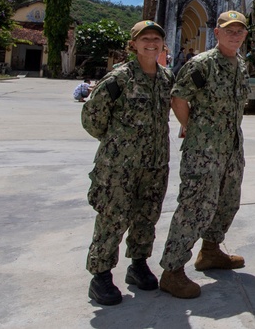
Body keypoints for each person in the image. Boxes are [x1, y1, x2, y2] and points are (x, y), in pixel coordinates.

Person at [157, 11, 250, 299]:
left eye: (239, 31)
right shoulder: (202, 64)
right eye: (229, 31)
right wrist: (192, 128)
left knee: (227, 202)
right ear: (217, 33)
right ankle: (172, 270)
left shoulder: (241, 65)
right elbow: (179, 99)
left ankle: (210, 251)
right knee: (194, 207)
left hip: (232, 148)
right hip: (204, 151)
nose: (234, 35)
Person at [81, 21, 174, 306]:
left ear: (162, 44)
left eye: (156, 39)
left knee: (147, 215)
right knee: (113, 218)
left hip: (155, 163)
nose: (151, 43)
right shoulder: (119, 78)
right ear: (133, 44)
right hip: (119, 166)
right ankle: (101, 276)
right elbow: (92, 118)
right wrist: (118, 143)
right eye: (144, 38)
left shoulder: (166, 78)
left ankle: (138, 264)